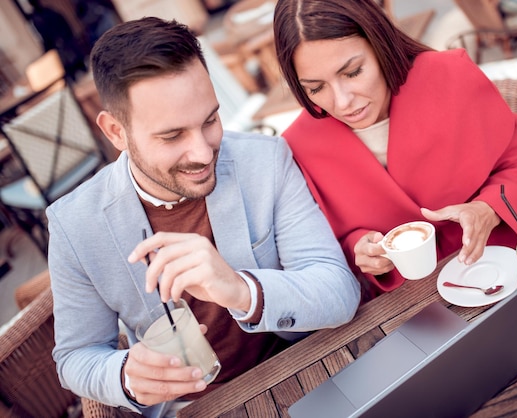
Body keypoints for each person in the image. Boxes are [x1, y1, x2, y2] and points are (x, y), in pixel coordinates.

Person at [47, 17, 360, 417]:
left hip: (309, 368)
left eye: (210, 120)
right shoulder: (75, 225)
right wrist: (125, 374)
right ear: (116, 132)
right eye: (172, 136)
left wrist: (240, 290)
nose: (203, 152)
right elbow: (76, 356)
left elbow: (338, 291)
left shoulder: (266, 161)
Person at [273, 0, 517, 301]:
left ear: (379, 43)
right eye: (315, 88)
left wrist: (487, 209)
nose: (342, 102)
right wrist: (361, 250)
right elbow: (334, 240)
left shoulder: (449, 75)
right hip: (413, 302)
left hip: (508, 262)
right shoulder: (300, 145)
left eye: (352, 72)